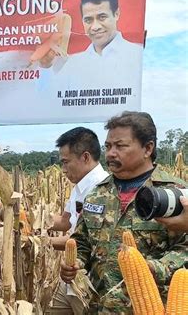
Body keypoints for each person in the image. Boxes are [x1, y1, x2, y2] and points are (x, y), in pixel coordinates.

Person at [58, 111, 188, 314]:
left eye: (120, 146)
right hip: (99, 306)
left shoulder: (175, 194)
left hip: (151, 307)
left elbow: (185, 248)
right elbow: (82, 240)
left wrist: (152, 269)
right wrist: (75, 263)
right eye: (108, 146)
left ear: (147, 148)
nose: (110, 153)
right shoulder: (97, 193)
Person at [50, 127, 108, 251]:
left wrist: (36, 242)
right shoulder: (80, 185)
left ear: (85, 157)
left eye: (66, 162)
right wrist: (29, 219)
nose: (63, 169)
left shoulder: (102, 190)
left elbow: (83, 240)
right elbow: (65, 221)